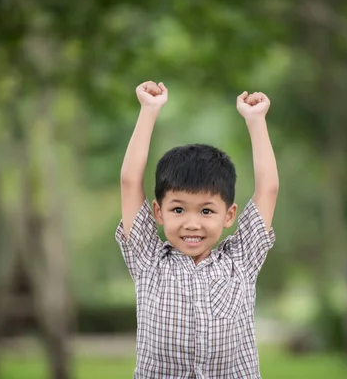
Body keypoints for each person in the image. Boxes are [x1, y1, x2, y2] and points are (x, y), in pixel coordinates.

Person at [116, 80, 279, 378]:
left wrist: (256, 121)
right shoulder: (148, 260)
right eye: (178, 209)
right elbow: (129, 182)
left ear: (229, 215)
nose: (192, 223)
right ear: (158, 212)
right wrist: (148, 111)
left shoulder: (240, 261)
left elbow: (268, 189)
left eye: (206, 211)